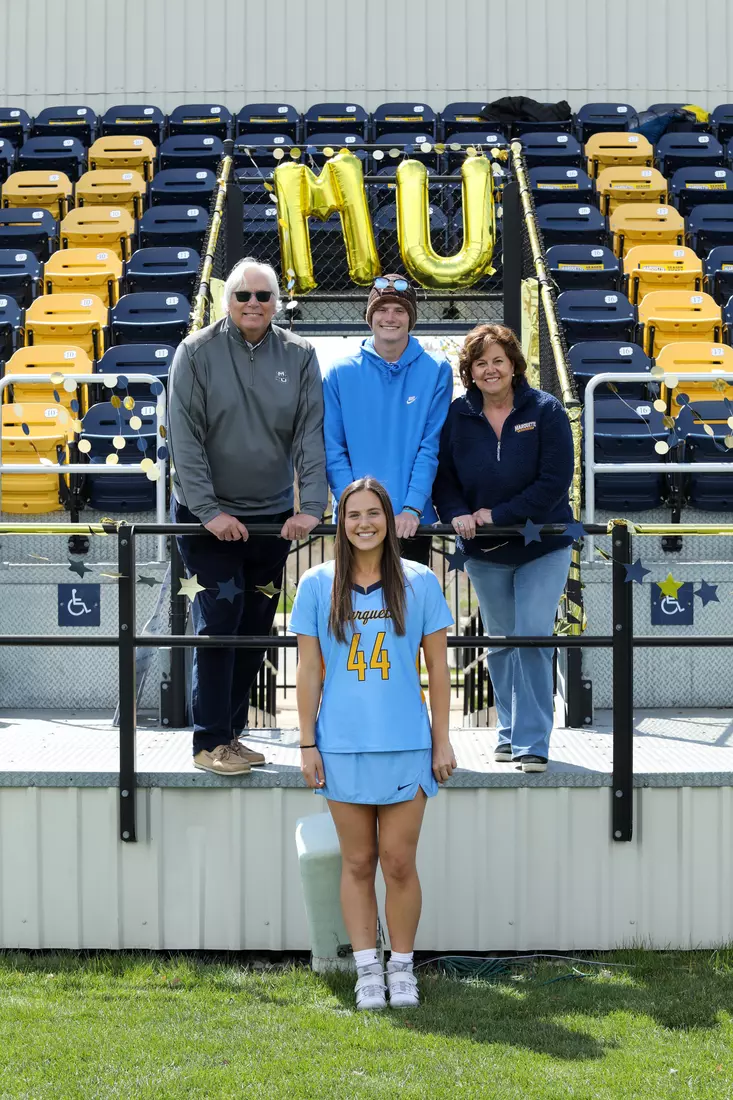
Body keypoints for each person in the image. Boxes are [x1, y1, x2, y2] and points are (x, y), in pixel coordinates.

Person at [290, 476, 456, 1010]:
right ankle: (368, 971)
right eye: (353, 513)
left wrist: (442, 741)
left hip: (406, 744)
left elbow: (437, 668)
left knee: (399, 862)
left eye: (374, 513)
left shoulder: (421, 582)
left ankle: (402, 969)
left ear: (389, 519)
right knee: (357, 862)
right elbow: (309, 669)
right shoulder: (317, 584)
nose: (364, 523)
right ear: (341, 521)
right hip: (341, 746)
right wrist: (307, 743)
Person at [168, 257, 328, 776]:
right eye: (243, 296)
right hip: (206, 519)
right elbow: (184, 438)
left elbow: (309, 433)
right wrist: (209, 511)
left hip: (270, 518)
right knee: (220, 622)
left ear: (277, 304)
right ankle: (208, 740)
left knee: (255, 627)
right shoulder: (195, 352)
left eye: (263, 296)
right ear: (227, 301)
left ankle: (231, 736)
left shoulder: (301, 355)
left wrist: (311, 507)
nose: (253, 304)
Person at [433, 323, 574, 774]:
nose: (490, 369)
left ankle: (533, 742)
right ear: (469, 371)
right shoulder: (458, 415)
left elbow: (554, 482)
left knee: (531, 637)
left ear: (514, 365)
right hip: (484, 550)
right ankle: (510, 732)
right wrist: (456, 512)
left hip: (542, 544)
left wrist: (497, 515)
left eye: (498, 360)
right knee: (500, 643)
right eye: (480, 362)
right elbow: (444, 478)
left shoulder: (545, 410)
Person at [322, 275, 453, 566]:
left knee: (407, 609)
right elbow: (334, 450)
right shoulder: (339, 372)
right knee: (355, 611)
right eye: (381, 309)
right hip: (356, 523)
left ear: (411, 318)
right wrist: (357, 512)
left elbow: (430, 447)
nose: (390, 317)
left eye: (400, 310)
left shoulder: (437, 370)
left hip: (411, 521)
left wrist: (412, 508)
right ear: (370, 317)